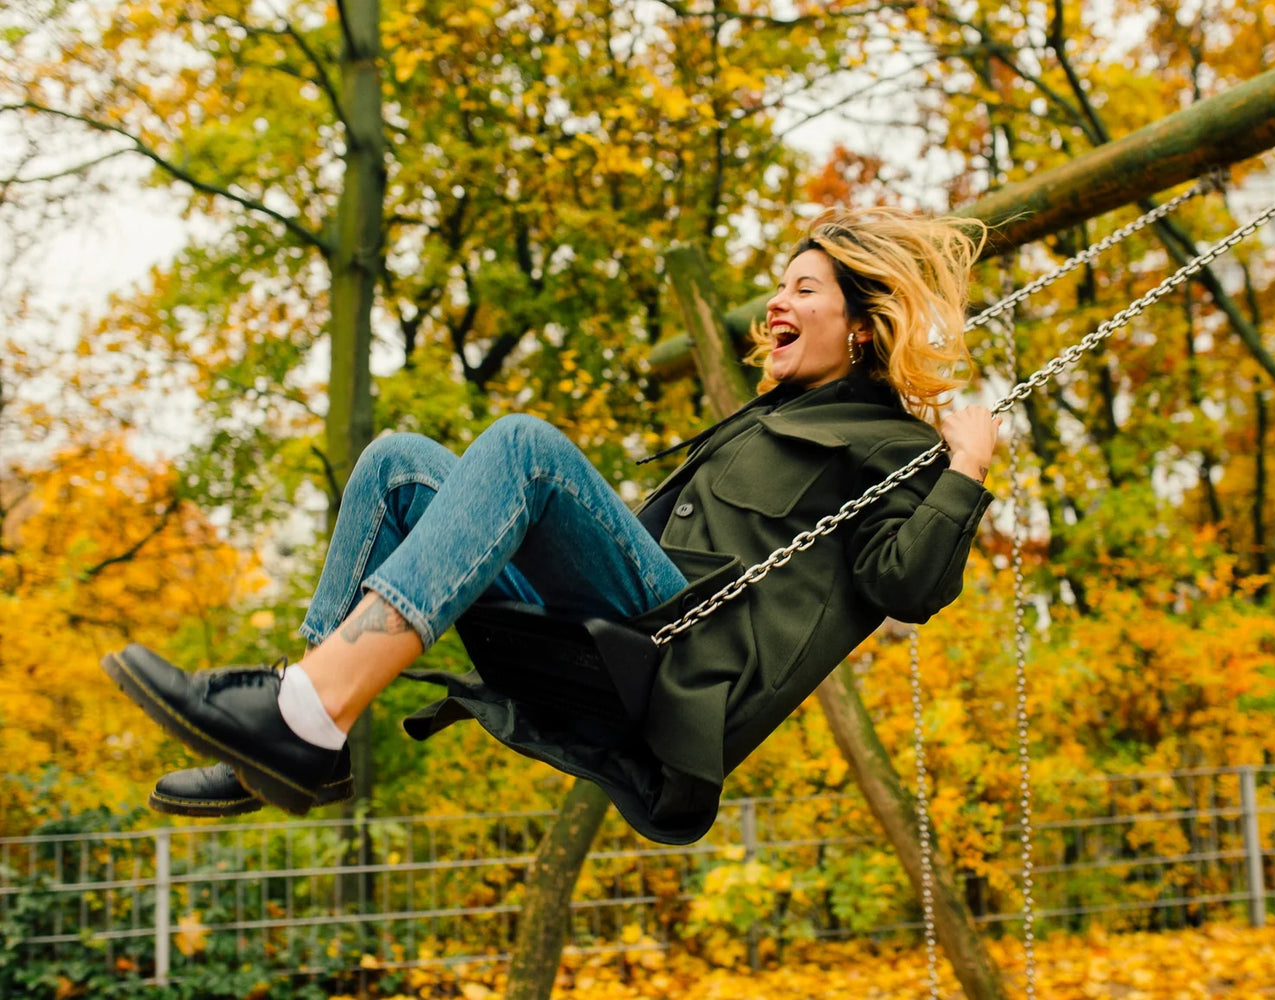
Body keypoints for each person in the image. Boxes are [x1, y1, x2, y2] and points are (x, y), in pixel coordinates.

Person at [105, 206, 998, 844]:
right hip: (618, 624)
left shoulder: (894, 447)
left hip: (676, 656)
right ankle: (308, 719)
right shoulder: (763, 418)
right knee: (395, 463)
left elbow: (907, 586)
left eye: (804, 289)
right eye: (778, 287)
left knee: (525, 445)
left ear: (864, 325)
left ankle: (300, 715)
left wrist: (964, 468)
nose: (776, 304)